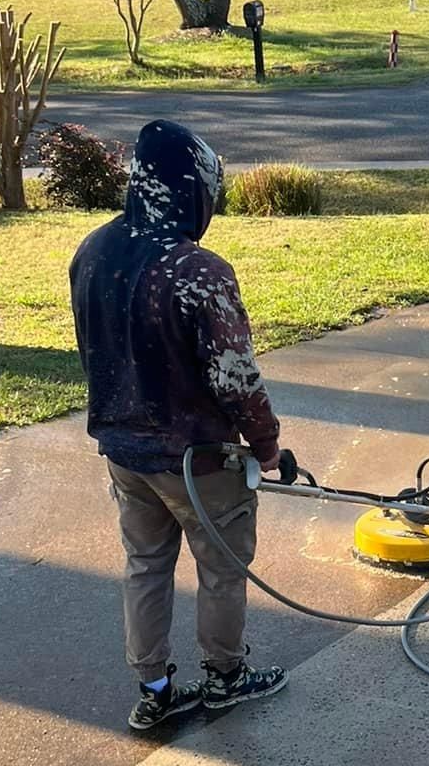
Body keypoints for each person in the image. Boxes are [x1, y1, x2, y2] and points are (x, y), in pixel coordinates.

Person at [70, 118, 292, 731]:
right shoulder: (198, 271)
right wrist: (267, 445)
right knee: (221, 569)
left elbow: (92, 348)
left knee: (145, 565)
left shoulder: (93, 251)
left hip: (123, 451)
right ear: (193, 192)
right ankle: (225, 678)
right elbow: (235, 376)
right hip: (199, 460)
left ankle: (155, 688)